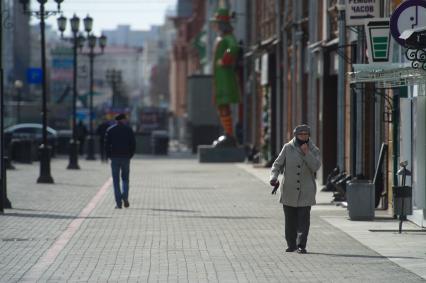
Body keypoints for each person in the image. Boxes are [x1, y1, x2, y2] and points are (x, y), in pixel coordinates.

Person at [269, 125, 321, 254]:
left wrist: (307, 153)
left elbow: (315, 167)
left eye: (306, 134)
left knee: (303, 220)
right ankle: (291, 244)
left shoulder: (314, 150)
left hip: (306, 190)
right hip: (289, 189)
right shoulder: (287, 148)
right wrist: (273, 177)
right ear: (295, 135)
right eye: (301, 134)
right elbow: (277, 164)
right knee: (290, 220)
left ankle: (301, 245)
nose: (303, 136)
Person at [210, 7, 241, 147]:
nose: (215, 26)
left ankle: (229, 134)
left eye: (217, 23)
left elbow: (233, 47)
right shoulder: (221, 38)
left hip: (225, 77)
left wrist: (225, 60)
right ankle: (227, 133)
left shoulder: (228, 38)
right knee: (221, 105)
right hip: (220, 78)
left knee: (224, 105)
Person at [105, 114, 136, 209]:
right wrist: (130, 155)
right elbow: (133, 144)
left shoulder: (110, 130)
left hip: (114, 157)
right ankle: (125, 196)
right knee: (125, 179)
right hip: (126, 157)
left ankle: (118, 203)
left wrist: (109, 156)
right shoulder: (129, 130)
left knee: (115, 181)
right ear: (122, 120)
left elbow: (106, 144)